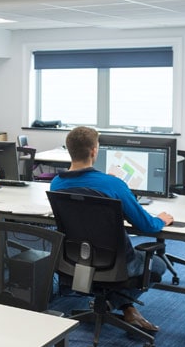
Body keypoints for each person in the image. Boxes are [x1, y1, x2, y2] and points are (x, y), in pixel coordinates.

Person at [50, 126, 172, 333]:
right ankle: (117, 304)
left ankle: (114, 304)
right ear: (94, 151)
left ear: (69, 151)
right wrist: (161, 219)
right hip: (117, 263)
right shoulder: (112, 184)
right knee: (158, 263)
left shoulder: (56, 184)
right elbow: (146, 226)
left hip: (78, 260)